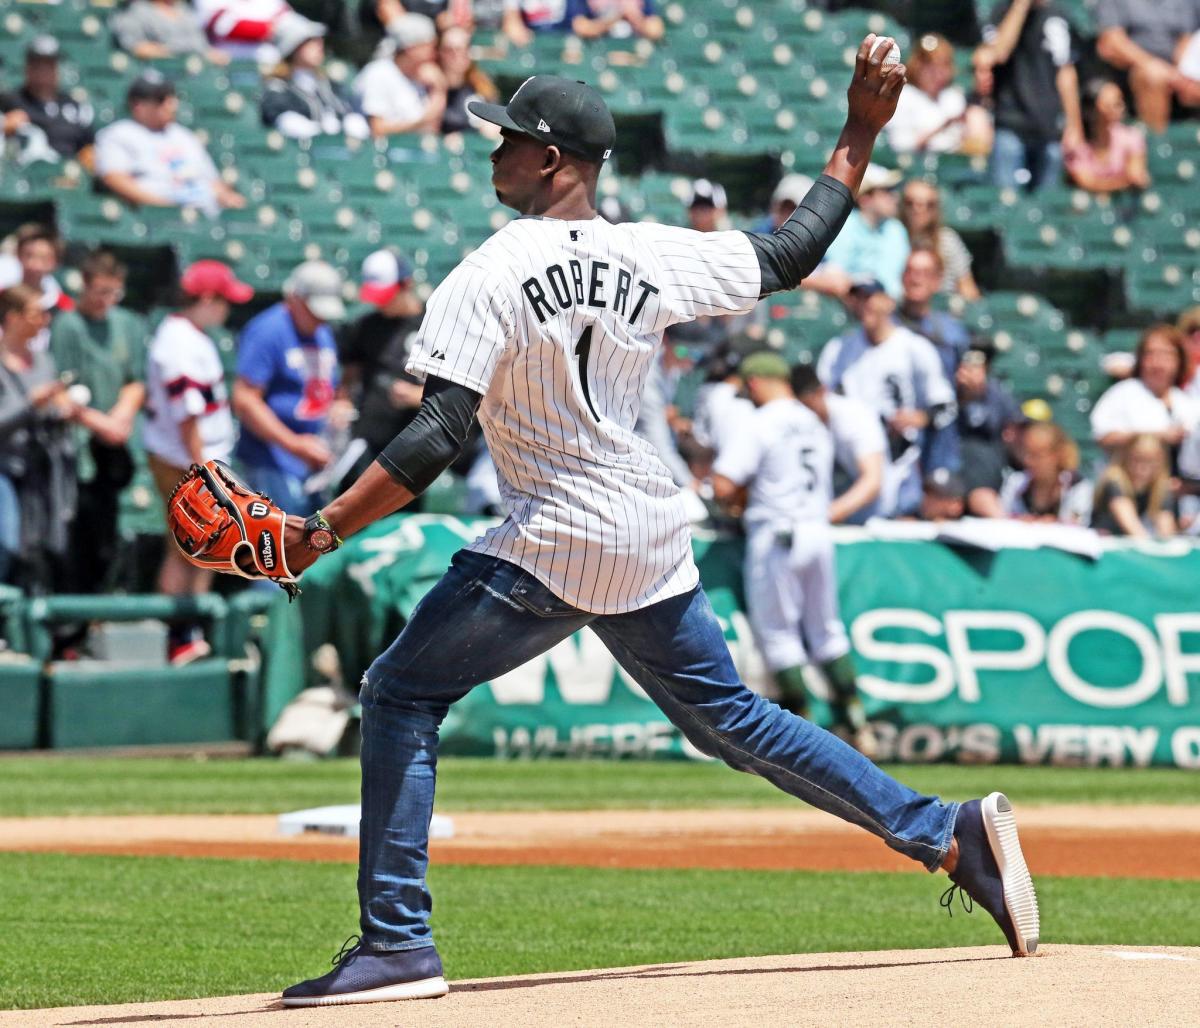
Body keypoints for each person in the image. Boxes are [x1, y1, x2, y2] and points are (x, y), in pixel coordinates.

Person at [273, 48, 1039, 1007]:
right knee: (733, 719)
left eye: (509, 137)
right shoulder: (651, 251)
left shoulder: (492, 268)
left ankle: (396, 944)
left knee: (397, 695)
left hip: (554, 530)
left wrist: (319, 530)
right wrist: (860, 133)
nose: (493, 149)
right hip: (642, 526)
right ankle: (945, 832)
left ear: (554, 161)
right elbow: (793, 251)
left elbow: (436, 433)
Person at [711, 352, 877, 755]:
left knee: (780, 637)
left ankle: (805, 738)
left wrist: (739, 501)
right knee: (827, 632)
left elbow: (722, 484)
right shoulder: (814, 421)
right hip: (818, 530)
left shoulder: (761, 422)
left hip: (778, 534)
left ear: (754, 384)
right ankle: (858, 724)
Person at [143, 261, 252, 664]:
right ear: (206, 298)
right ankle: (178, 638)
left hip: (194, 456)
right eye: (224, 300)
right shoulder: (178, 342)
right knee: (191, 547)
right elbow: (188, 414)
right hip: (186, 459)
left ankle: (188, 637)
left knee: (200, 548)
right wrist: (201, 470)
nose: (227, 309)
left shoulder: (191, 336)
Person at [49, 251, 147, 594]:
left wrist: (121, 414)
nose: (106, 300)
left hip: (115, 447)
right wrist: (99, 423)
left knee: (107, 534)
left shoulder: (127, 324)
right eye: (100, 291)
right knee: (78, 535)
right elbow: (59, 390)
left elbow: (136, 380)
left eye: (113, 292)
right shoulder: (67, 325)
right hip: (79, 448)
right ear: (85, 287)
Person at [818, 279, 958, 517]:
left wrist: (919, 417)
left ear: (888, 302)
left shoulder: (914, 347)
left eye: (869, 297)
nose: (863, 305)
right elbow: (821, 400)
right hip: (849, 463)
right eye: (858, 298)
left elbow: (946, 406)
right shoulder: (838, 349)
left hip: (900, 461)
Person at [231, 261, 345, 516]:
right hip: (272, 461)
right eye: (313, 310)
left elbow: (327, 386)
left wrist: (337, 408)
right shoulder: (268, 331)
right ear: (294, 297)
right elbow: (245, 400)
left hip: (312, 463)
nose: (319, 318)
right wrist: (293, 444)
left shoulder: (323, 332)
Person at [0, 285, 75, 593]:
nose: (45, 319)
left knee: (39, 552)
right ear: (14, 317)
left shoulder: (44, 361)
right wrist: (32, 403)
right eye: (37, 313)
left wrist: (61, 410)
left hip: (40, 473)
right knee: (6, 544)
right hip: (5, 471)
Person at [94, 72, 246, 217]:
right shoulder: (119, 134)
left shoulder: (183, 135)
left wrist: (226, 196)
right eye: (160, 99)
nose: (171, 105)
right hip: (158, 217)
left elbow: (213, 182)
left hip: (203, 214)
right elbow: (115, 178)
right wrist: (164, 208)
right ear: (138, 105)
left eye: (171, 97)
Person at [976, 0, 1083, 190]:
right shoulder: (1001, 12)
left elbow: (1065, 72)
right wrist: (1020, 6)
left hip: (1049, 127)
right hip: (1010, 122)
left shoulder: (1057, 16)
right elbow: (999, 53)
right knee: (1006, 201)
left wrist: (1074, 125)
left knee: (1048, 204)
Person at [338, 249, 425, 468]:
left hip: (417, 440)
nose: (381, 304)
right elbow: (349, 378)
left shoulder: (433, 323)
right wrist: (342, 402)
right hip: (370, 439)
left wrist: (417, 396)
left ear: (407, 285)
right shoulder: (364, 326)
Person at [1090, 324, 1200, 477]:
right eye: (1151, 354)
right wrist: (1156, 436)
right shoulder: (1123, 393)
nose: (1158, 363)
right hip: (1127, 484)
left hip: (1178, 488)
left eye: (1166, 355)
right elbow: (1104, 437)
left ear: (1179, 360)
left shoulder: (1185, 402)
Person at [792, 363, 886, 525]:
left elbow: (873, 482)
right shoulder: (801, 423)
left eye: (806, 404)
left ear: (821, 391)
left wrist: (827, 515)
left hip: (883, 515)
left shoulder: (854, 417)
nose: (802, 411)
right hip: (843, 516)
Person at [260, 14, 370, 141]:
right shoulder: (277, 88)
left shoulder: (330, 85)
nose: (319, 45)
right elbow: (286, 122)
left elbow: (348, 116)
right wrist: (321, 130)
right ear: (293, 47)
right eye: (309, 41)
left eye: (319, 40)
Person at [1095, 0, 1200, 132]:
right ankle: (1158, 145)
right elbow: (1113, 42)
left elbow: (1186, 37)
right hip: (1133, 68)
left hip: (1177, 68)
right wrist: (1152, 64)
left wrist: (1181, 72)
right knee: (1153, 76)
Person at [952, 339, 1024, 517]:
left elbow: (1014, 429)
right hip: (954, 463)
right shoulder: (946, 392)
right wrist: (964, 397)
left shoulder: (998, 395)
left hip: (990, 469)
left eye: (978, 366)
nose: (971, 371)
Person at [0, 36, 96, 167]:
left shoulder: (74, 106)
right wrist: (4, 125)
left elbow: (88, 145)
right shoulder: (9, 100)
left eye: (49, 65)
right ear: (27, 68)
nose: (43, 71)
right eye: (37, 65)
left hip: (69, 175)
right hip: (27, 175)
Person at [821, 163, 910, 298]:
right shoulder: (844, 226)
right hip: (851, 304)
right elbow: (837, 274)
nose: (895, 197)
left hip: (890, 307)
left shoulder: (896, 229)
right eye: (887, 191)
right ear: (865, 199)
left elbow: (894, 281)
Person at [354, 14, 447, 137]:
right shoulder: (379, 73)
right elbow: (378, 129)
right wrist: (424, 120)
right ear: (411, 48)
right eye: (430, 46)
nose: (434, 53)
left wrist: (439, 89)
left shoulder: (421, 76)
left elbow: (432, 128)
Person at [886, 33, 970, 154]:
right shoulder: (904, 95)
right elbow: (899, 144)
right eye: (931, 67)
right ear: (917, 66)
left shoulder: (953, 96)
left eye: (944, 66)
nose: (939, 74)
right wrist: (941, 127)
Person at [897, 247, 973, 377]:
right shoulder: (885, 326)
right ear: (902, 276)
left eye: (925, 273)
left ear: (937, 280)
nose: (916, 280)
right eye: (910, 271)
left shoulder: (952, 332)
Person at [1064, 78, 1150, 193]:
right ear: (1093, 109)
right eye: (1111, 105)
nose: (1119, 108)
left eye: (1119, 103)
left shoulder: (1130, 137)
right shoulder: (1076, 143)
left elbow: (1135, 175)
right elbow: (1086, 182)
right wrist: (1123, 181)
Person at [899, 180, 980, 301]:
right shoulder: (890, 237)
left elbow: (966, 286)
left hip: (943, 309)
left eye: (928, 204)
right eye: (910, 203)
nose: (918, 209)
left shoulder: (948, 239)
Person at [998, 420, 1091, 522]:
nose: (1028, 461)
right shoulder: (1015, 483)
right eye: (1026, 453)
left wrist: (1052, 524)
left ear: (1057, 455)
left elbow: (1077, 526)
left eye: (1037, 455)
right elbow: (1003, 522)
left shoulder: (1077, 487)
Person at [1091, 434, 1177, 536]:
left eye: (1150, 461)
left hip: (1134, 546)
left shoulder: (1160, 487)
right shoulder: (1114, 480)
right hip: (1105, 545)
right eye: (1137, 459)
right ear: (1126, 457)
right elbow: (1134, 530)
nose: (1142, 467)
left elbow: (1166, 533)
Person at [111, 0, 231, 65]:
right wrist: (177, 57)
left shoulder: (186, 12)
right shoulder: (137, 10)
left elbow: (203, 48)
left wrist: (214, 56)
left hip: (195, 72)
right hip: (157, 73)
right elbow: (138, 48)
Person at [438, 25, 500, 136]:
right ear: (440, 53)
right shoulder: (433, 87)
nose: (456, 55)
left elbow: (495, 124)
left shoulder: (481, 85)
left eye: (461, 49)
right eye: (448, 50)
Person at [0, 223, 73, 315]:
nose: (35, 265)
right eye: (29, 256)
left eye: (44, 259)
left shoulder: (63, 306)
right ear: (18, 255)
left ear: (56, 262)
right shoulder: (3, 297)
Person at [193, 0, 294, 62]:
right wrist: (265, 28)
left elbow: (288, 22)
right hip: (229, 65)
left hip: (269, 65)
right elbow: (222, 26)